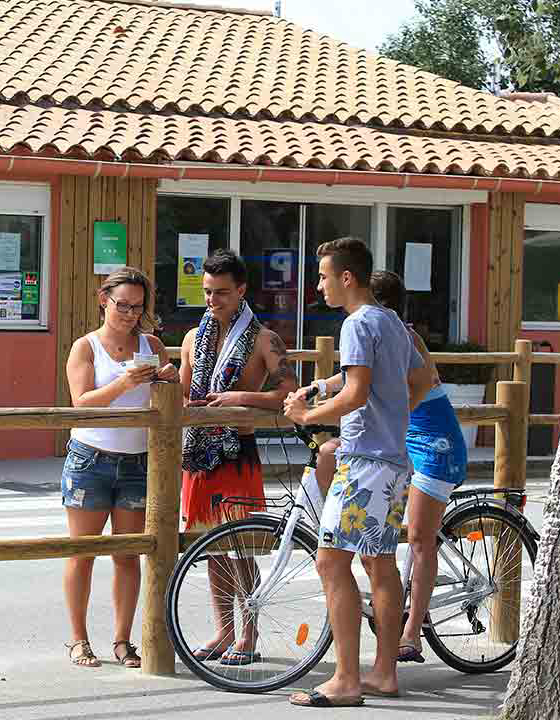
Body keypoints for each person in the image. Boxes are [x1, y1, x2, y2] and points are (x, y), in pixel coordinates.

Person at [283, 238, 430, 707]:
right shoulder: (391, 321)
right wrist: (393, 416)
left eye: (324, 276)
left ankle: (346, 679)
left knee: (331, 561)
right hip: (391, 459)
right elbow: (422, 379)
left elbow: (357, 392)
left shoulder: (356, 323)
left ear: (347, 278)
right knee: (380, 564)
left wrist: (308, 415)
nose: (319, 285)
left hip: (364, 459)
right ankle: (383, 673)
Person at [302, 271, 468, 664]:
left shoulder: (397, 332)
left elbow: (423, 381)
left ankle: (411, 633)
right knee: (328, 455)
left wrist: (394, 417)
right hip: (398, 441)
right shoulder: (380, 329)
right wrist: (319, 389)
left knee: (419, 536)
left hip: (434, 444)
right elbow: (352, 375)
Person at [179, 249, 298, 666]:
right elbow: (181, 395)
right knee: (211, 548)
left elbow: (289, 393)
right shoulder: (194, 338)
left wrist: (238, 397)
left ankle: (249, 634)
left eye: (222, 293)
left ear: (242, 290)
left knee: (242, 547)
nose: (212, 300)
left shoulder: (265, 339)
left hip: (238, 450)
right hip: (198, 452)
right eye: (208, 292)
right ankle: (224, 630)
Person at [62, 267, 178, 669]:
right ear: (103, 300)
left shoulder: (151, 344)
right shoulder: (86, 347)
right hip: (90, 457)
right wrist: (124, 385)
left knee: (128, 555)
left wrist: (169, 378)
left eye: (137, 307)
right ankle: (78, 640)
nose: (129, 314)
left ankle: (122, 640)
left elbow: (170, 393)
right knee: (83, 553)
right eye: (122, 305)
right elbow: (81, 402)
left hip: (137, 460)